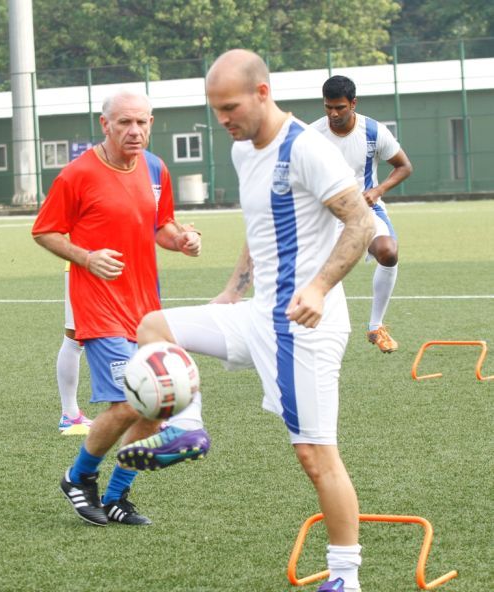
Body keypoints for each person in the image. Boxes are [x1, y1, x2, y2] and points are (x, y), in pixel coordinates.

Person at [117, 50, 374, 592]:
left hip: (308, 325)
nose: (223, 119)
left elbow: (361, 221)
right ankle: (188, 429)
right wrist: (232, 290)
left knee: (313, 453)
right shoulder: (242, 151)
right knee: (154, 327)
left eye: (230, 106)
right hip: (258, 313)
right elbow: (260, 230)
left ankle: (346, 578)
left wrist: (321, 286)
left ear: (262, 93)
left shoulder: (308, 148)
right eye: (215, 110)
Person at [32, 89, 210, 527]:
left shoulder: (155, 168)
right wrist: (86, 257)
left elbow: (161, 226)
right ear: (104, 124)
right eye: (125, 123)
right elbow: (45, 231)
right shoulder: (77, 175)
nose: (135, 131)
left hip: (147, 309)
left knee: (158, 403)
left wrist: (183, 240)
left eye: (143, 122)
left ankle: (116, 496)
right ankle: (78, 477)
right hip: (100, 307)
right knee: (130, 405)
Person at [311, 75, 413, 353]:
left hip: (365, 209)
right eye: (328, 107)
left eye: (340, 107)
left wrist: (378, 190)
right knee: (317, 273)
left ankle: (375, 327)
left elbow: (404, 166)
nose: (333, 113)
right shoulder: (312, 136)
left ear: (353, 104)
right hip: (324, 214)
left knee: (388, 251)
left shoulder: (374, 131)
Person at [56, 262, 92, 433]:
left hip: (128, 266)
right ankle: (70, 414)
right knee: (75, 336)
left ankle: (138, 413)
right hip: (84, 267)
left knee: (133, 331)